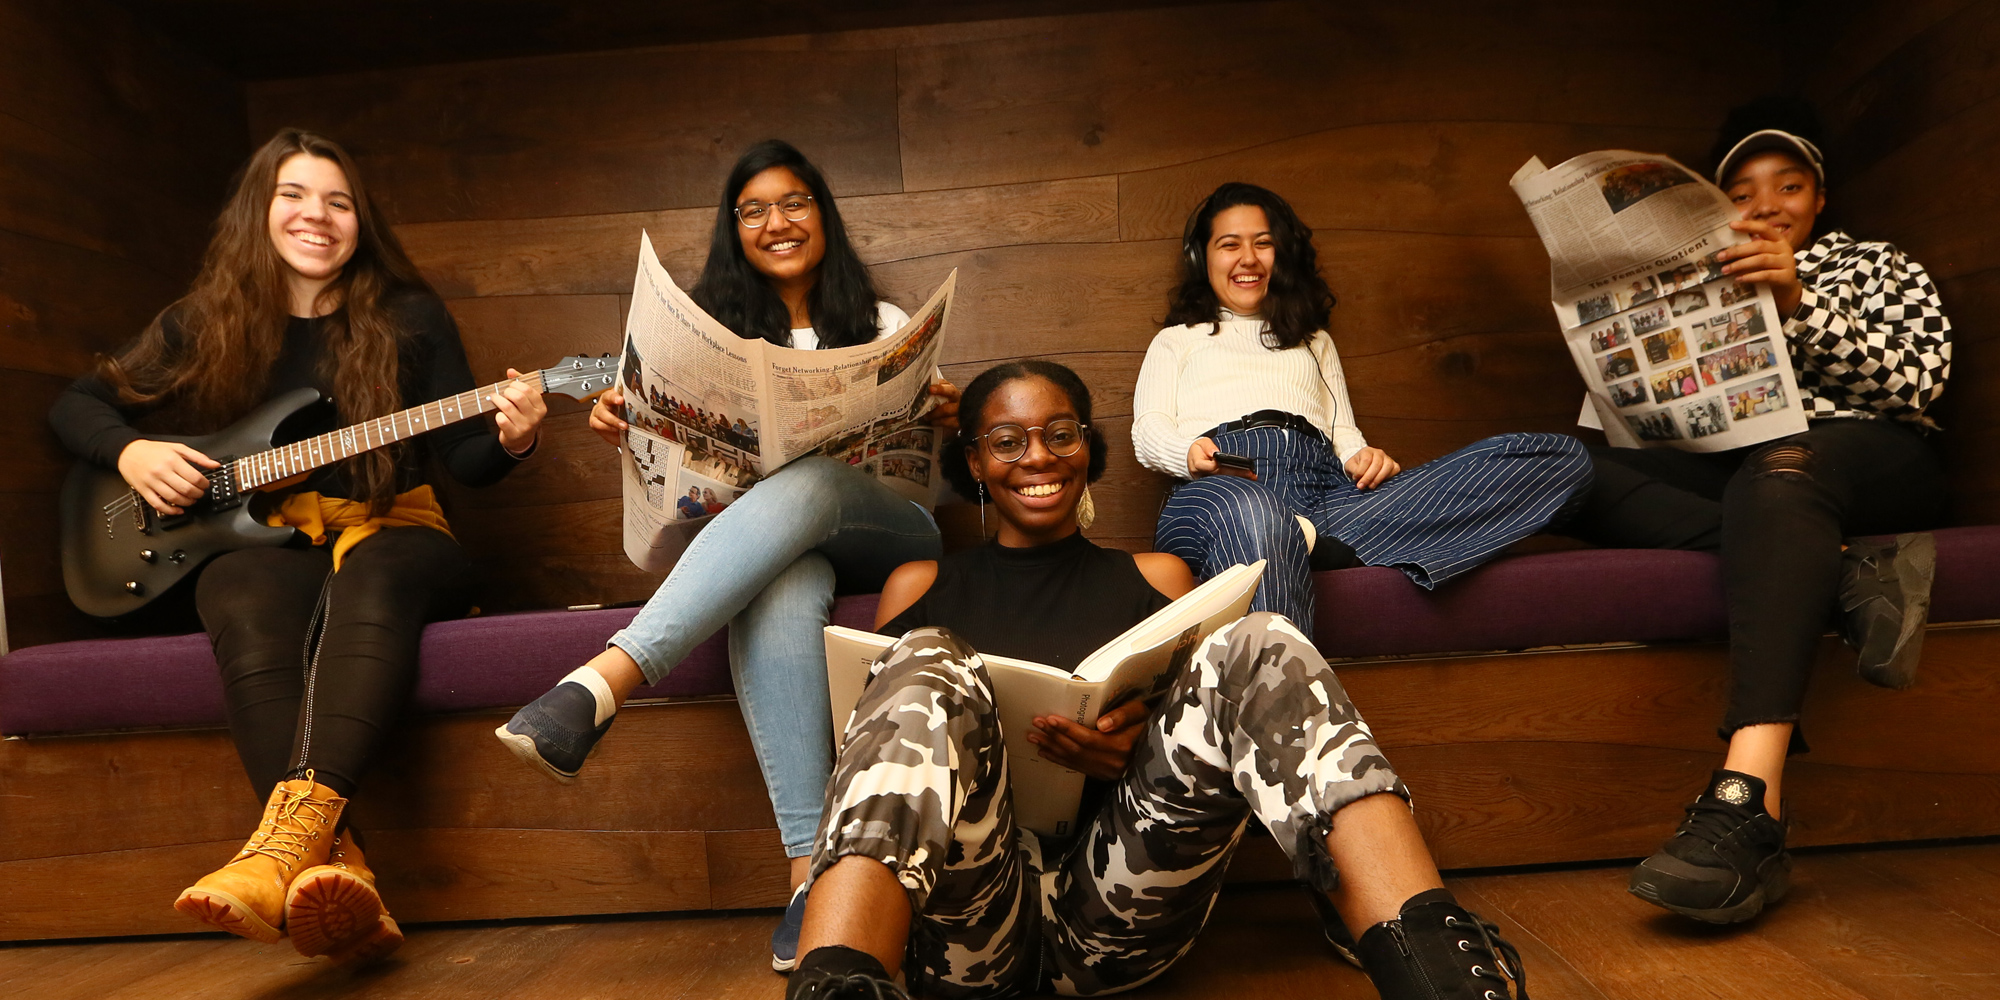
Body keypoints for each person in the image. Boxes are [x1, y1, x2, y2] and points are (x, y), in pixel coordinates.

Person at [784, 360, 1526, 1000]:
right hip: (963, 931)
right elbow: (876, 755)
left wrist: (1131, 753)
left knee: (1261, 639)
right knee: (924, 656)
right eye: (1008, 441)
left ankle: (1443, 971)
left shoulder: (1157, 577)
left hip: (1117, 917)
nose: (1037, 457)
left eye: (1060, 434)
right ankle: (837, 977)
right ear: (975, 463)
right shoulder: (918, 582)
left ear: (1087, 449)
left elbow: (1194, 755)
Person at [49, 129, 547, 961]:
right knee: (238, 595)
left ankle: (279, 853)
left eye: (338, 201)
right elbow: (75, 405)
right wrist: (131, 451)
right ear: (260, 211)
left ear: (361, 222)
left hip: (398, 529)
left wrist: (515, 437)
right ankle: (338, 872)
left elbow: (468, 461)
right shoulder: (204, 321)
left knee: (377, 577)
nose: (317, 214)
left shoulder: (409, 315)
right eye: (294, 195)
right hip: (273, 541)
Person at [496, 139, 958, 970]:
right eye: (754, 210)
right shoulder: (706, 336)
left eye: (794, 203)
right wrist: (631, 423)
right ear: (732, 228)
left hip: (887, 534)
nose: (776, 222)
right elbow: (670, 477)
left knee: (812, 482)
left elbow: (942, 481)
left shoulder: (884, 325)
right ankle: (809, 883)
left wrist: (943, 417)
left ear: (822, 214)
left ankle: (605, 681)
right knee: (783, 582)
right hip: (776, 546)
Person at [1564, 100, 1952, 925]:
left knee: (1784, 472)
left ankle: (1748, 808)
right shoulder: (1702, 278)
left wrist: (1801, 302)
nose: (1767, 202)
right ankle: (1843, 572)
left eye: (1789, 183)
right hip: (1744, 471)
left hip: (1866, 452)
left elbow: (1918, 381)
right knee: (1563, 462)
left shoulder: (1872, 265)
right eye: (1743, 190)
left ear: (1819, 196)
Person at [1137, 182, 1593, 634]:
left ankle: (1300, 540)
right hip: (1220, 488)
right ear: (1203, 258)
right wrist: (1190, 453)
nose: (1248, 259)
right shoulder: (1179, 340)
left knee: (1558, 460)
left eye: (1264, 243)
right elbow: (1148, 429)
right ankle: (1286, 652)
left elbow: (1341, 433)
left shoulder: (1314, 342)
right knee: (1257, 515)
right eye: (1229, 245)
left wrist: (1363, 457)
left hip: (1323, 495)